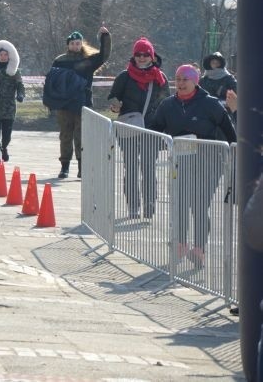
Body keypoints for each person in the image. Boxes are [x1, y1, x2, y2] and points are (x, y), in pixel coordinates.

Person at [148, 64, 237, 267]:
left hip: (209, 164)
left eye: (184, 80)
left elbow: (230, 134)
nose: (180, 83)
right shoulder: (168, 105)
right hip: (181, 163)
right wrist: (163, 143)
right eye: (178, 79)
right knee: (179, 204)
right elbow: (154, 131)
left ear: (195, 81)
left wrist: (231, 153)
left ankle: (199, 249)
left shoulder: (211, 104)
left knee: (199, 206)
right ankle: (180, 245)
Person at [107, 37, 170, 218]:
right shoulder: (124, 76)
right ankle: (133, 206)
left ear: (152, 56)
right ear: (133, 56)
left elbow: (166, 103)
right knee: (131, 167)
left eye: (145, 54)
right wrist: (114, 105)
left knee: (149, 168)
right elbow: (112, 97)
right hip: (129, 128)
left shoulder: (160, 77)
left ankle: (149, 205)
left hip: (152, 129)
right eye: (138, 54)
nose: (141, 58)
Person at [47, 26, 111, 178]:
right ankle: (65, 167)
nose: (75, 46)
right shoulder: (60, 61)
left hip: (83, 104)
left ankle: (82, 168)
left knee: (81, 137)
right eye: (73, 43)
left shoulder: (88, 61)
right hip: (64, 105)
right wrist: (52, 102)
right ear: (68, 45)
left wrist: (105, 37)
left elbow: (104, 55)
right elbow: (52, 82)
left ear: (81, 44)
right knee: (65, 136)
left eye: (78, 43)